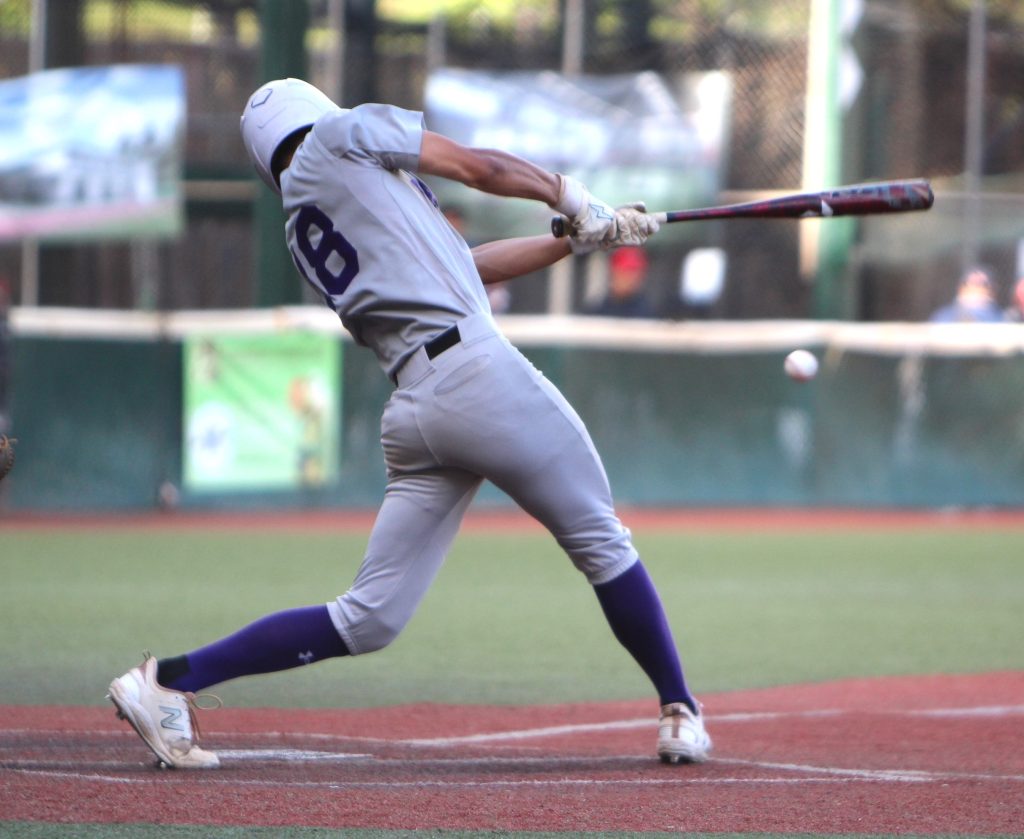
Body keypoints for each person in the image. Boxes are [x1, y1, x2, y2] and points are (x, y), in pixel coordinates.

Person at [108, 78, 709, 770]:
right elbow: (478, 167)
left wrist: (573, 238)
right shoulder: (339, 137)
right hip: (477, 377)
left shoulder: (308, 217)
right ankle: (680, 709)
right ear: (312, 112)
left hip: (418, 411)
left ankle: (170, 679)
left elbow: (465, 267)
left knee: (366, 618)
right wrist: (571, 195)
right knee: (604, 541)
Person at [586, 246, 656, 318]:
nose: (631, 279)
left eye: (635, 272)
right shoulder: (598, 310)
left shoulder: (647, 313)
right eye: (626, 271)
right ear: (614, 272)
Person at [929, 266, 1006, 323]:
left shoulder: (1003, 318)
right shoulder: (943, 316)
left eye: (983, 284)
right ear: (960, 289)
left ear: (993, 290)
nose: (976, 287)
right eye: (969, 283)